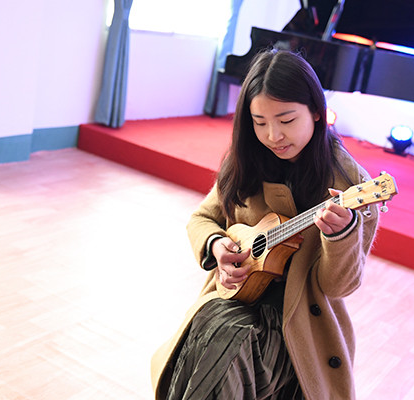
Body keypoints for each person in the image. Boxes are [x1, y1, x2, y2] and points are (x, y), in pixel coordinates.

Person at [151, 49, 379, 400]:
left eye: (286, 120)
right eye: (260, 122)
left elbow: (339, 286)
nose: (273, 136)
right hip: (236, 298)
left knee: (223, 337)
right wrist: (216, 245)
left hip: (297, 324)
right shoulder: (246, 161)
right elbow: (202, 218)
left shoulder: (351, 185)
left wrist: (341, 236)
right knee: (215, 328)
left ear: (317, 112)